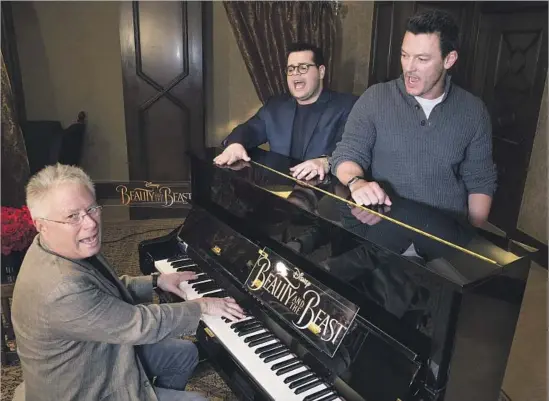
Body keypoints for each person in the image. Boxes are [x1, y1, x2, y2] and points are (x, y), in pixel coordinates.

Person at [11, 163, 246, 401]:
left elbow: (101, 292)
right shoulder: (61, 288)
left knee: (183, 352)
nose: (90, 223)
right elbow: (139, 324)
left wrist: (157, 281)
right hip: (83, 389)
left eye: (91, 208)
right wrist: (202, 307)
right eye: (72, 216)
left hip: (96, 353)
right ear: (41, 225)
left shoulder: (58, 246)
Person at [330, 10, 497, 227]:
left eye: (422, 59)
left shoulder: (474, 111)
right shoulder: (375, 98)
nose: (409, 67)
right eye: (404, 55)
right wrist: (356, 182)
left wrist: (473, 239)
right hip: (385, 231)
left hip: (445, 233)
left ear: (449, 59)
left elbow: (480, 180)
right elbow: (347, 153)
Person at [214, 42, 357, 181]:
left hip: (324, 197)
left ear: (321, 72)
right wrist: (236, 144)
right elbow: (249, 129)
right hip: (281, 196)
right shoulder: (276, 106)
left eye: (303, 67)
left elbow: (353, 151)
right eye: (291, 69)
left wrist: (326, 162)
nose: (295, 74)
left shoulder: (347, 106)